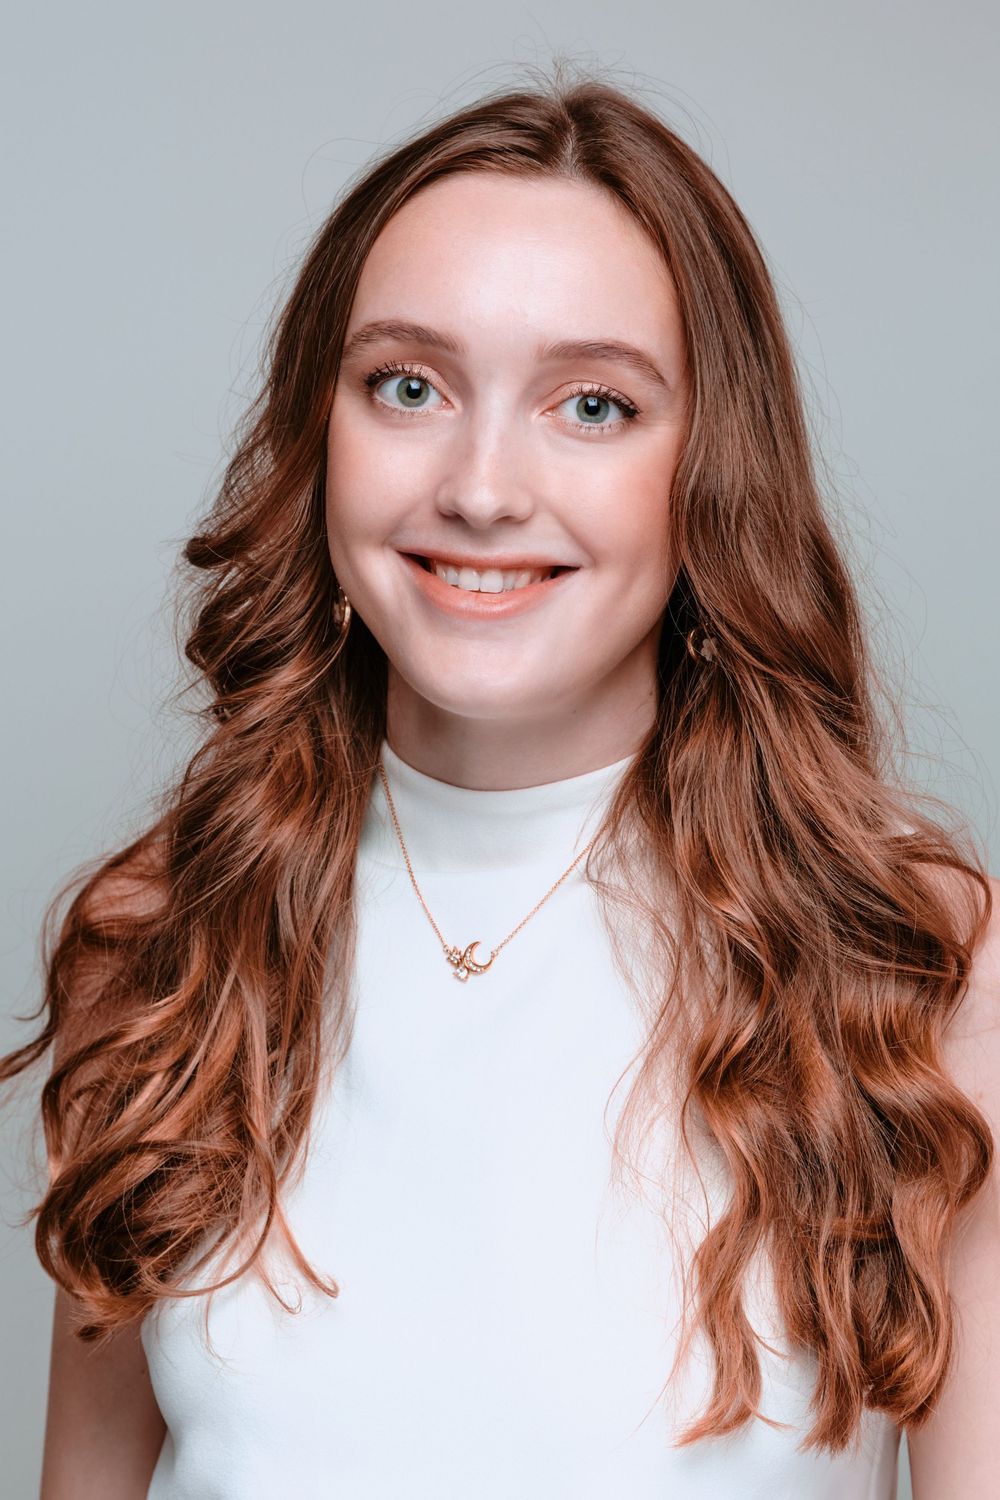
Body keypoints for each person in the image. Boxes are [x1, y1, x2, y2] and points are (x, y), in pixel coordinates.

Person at [3, 70, 998, 1500]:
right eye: (407, 386)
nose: (481, 486)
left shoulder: (918, 964)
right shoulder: (159, 935)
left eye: (591, 405)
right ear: (319, 431)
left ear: (709, 470)